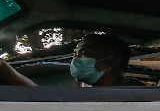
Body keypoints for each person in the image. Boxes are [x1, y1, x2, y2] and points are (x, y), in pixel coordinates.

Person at [1, 33, 140, 87]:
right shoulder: (102, 91)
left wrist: (3, 67)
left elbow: (47, 103)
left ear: (110, 60)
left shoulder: (131, 91)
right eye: (76, 54)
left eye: (85, 53)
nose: (76, 60)